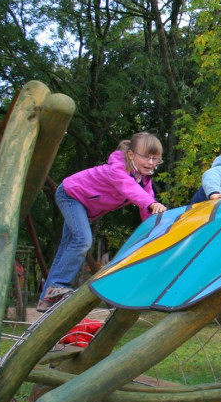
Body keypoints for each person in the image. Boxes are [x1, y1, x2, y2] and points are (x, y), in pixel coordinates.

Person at [38, 132, 167, 312]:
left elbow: (147, 208)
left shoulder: (143, 180)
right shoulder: (118, 170)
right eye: (146, 157)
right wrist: (151, 203)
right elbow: (131, 191)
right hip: (71, 195)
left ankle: (47, 299)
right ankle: (58, 285)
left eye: (155, 159)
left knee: (66, 248)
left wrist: (156, 231)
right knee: (83, 240)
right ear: (131, 155)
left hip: (82, 205)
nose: (151, 163)